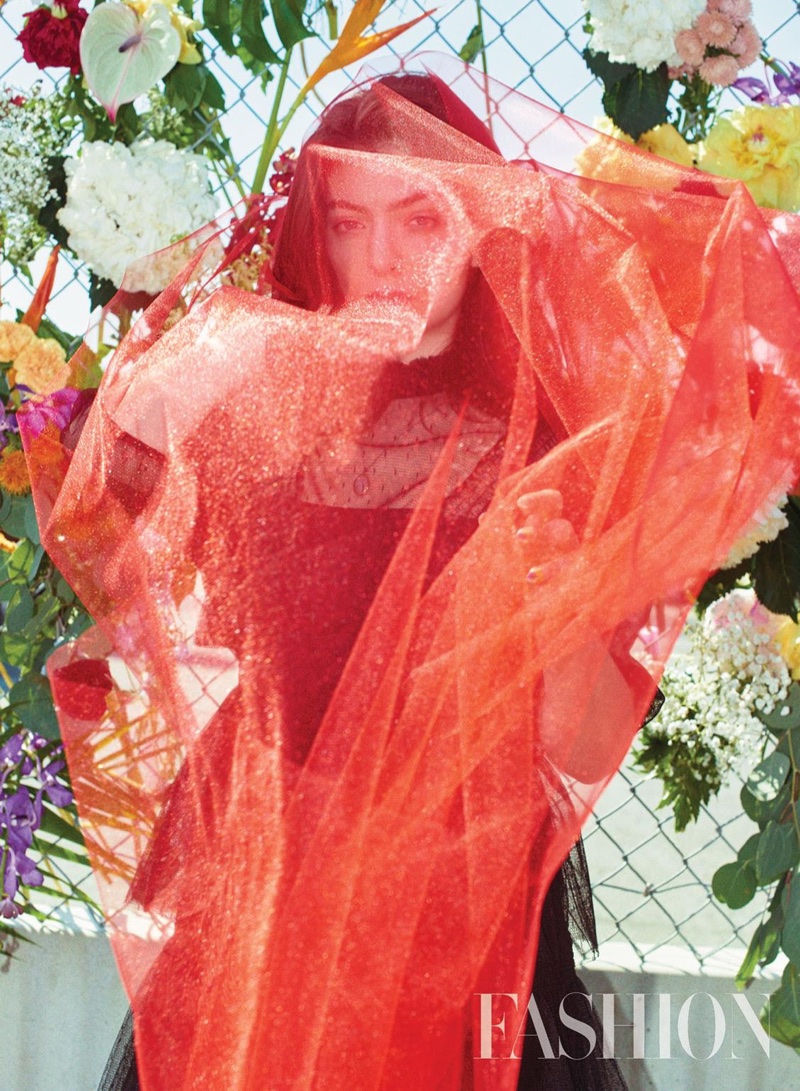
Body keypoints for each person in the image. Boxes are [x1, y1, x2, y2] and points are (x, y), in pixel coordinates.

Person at [23, 58, 800, 1091]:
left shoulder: (537, 449)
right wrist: (188, 386)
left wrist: (551, 598)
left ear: (483, 226)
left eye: (419, 220)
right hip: (261, 910)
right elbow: (139, 611)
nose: (379, 259)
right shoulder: (248, 422)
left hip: (460, 920)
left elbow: (570, 745)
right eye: (346, 222)